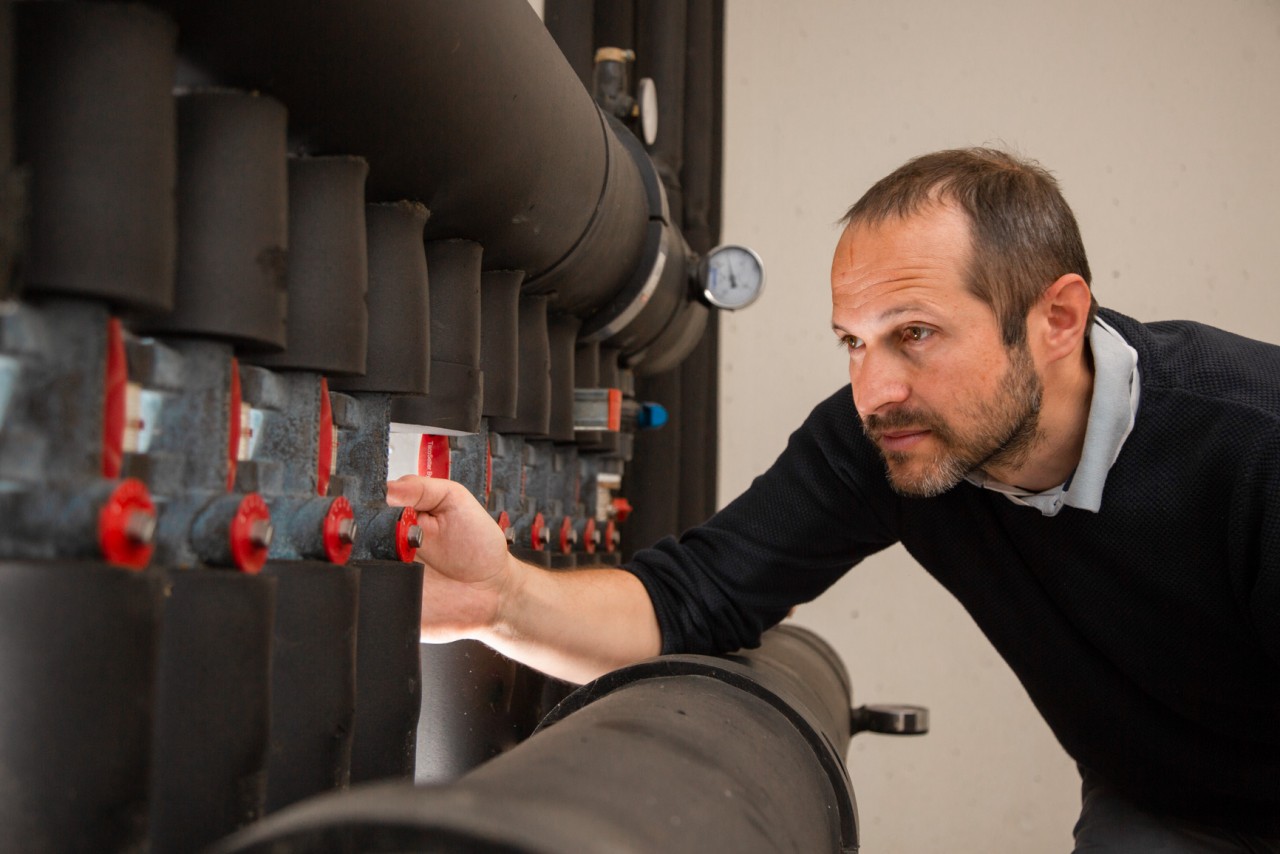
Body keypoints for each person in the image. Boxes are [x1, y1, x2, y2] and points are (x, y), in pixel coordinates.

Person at [386, 148, 1280, 852]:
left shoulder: (1251, 444)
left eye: (915, 334)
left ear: (1057, 319)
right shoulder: (890, 439)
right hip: (1161, 806)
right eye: (853, 342)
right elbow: (691, 598)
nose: (873, 389)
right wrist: (500, 598)